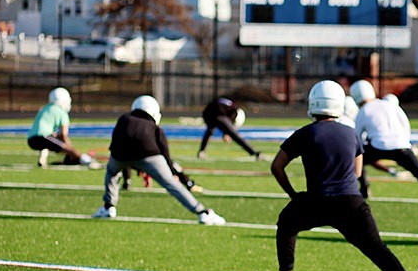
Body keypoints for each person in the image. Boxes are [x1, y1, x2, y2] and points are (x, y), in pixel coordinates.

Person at [269, 81, 417, 271]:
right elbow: (357, 173)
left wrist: (293, 194)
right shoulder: (351, 133)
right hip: (350, 203)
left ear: (312, 104)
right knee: (375, 247)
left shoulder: (304, 133)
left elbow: (277, 166)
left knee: (286, 224)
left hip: (316, 201)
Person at [91, 95, 225, 225]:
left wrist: (133, 169)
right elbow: (166, 155)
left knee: (111, 173)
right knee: (171, 184)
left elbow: (115, 145)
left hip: (119, 156)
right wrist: (175, 173)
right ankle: (203, 212)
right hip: (149, 155)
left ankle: (109, 207)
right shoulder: (154, 128)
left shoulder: (123, 119)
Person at [26, 87, 100, 169]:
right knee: (68, 148)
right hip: (45, 137)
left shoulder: (44, 108)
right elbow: (63, 135)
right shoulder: (62, 112)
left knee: (50, 141)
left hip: (31, 140)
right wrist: (70, 149)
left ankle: (43, 156)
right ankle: (87, 161)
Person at [197, 96, 262, 160]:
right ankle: (255, 153)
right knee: (235, 135)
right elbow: (227, 125)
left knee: (209, 131)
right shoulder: (234, 111)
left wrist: (225, 133)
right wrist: (227, 133)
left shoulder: (230, 105)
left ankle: (202, 151)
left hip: (207, 113)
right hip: (216, 113)